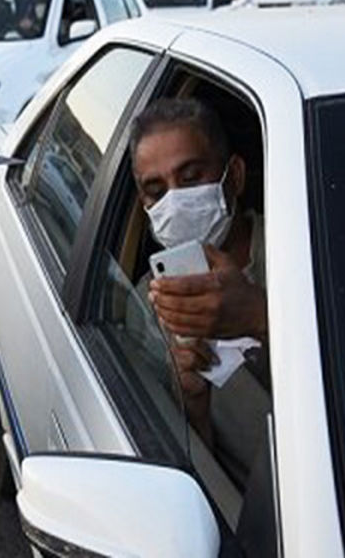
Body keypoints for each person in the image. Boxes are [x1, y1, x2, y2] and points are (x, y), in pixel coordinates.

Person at [128, 97, 266, 448]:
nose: (175, 202)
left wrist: (260, 315)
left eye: (190, 179)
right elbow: (186, 466)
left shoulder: (301, 240)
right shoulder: (152, 302)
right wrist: (192, 401)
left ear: (234, 176)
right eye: (156, 191)